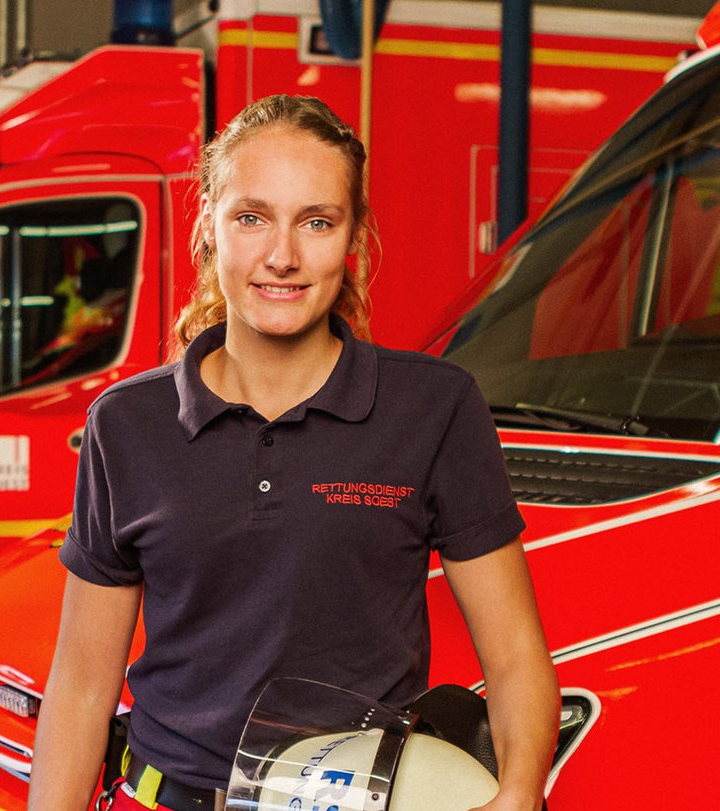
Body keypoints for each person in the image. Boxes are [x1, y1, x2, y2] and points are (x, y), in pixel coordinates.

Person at [28, 94, 560, 811]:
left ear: (354, 237)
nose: (281, 255)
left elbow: (517, 656)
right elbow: (83, 680)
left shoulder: (434, 408)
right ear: (209, 225)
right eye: (252, 217)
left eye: (316, 221)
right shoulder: (127, 423)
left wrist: (521, 791)